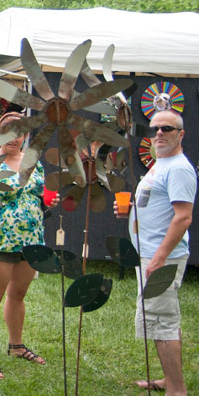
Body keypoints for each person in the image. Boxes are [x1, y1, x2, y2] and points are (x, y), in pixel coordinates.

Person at [0, 111, 59, 380]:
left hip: (31, 242)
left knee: (18, 295)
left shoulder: (35, 163)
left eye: (20, 131)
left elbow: (40, 196)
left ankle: (16, 346)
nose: (15, 137)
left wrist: (48, 202)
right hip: (0, 243)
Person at [115, 110, 194, 394]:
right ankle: (168, 379)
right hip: (149, 252)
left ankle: (177, 389)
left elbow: (183, 217)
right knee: (163, 318)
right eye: (155, 129)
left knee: (162, 322)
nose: (159, 133)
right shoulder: (161, 163)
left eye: (167, 129)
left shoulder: (179, 168)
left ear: (180, 134)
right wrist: (131, 212)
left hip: (161, 256)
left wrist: (160, 256)